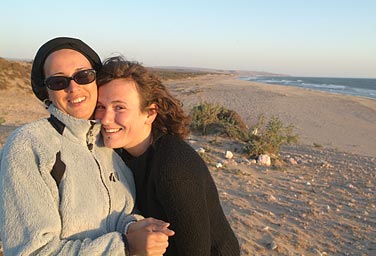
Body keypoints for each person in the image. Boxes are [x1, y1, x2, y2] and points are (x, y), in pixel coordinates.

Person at [0, 37, 173, 255]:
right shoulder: (29, 146)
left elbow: (121, 212)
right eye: (58, 82)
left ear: (95, 80)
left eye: (83, 76)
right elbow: (32, 251)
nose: (73, 88)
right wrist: (126, 246)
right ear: (47, 92)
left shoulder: (109, 139)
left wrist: (134, 226)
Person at [94, 55, 241, 255]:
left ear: (150, 113)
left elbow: (197, 251)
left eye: (119, 107)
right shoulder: (120, 155)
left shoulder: (173, 166)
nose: (105, 119)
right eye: (101, 107)